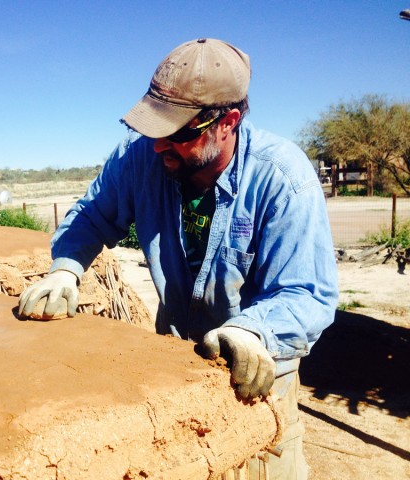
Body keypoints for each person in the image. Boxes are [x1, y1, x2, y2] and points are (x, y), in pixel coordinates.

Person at [18, 38, 338, 479]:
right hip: (174, 374)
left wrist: (253, 332)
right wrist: (66, 269)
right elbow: (91, 215)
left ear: (228, 121)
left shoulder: (284, 178)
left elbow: (307, 292)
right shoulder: (140, 159)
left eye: (177, 132)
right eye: (152, 129)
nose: (158, 146)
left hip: (257, 386)